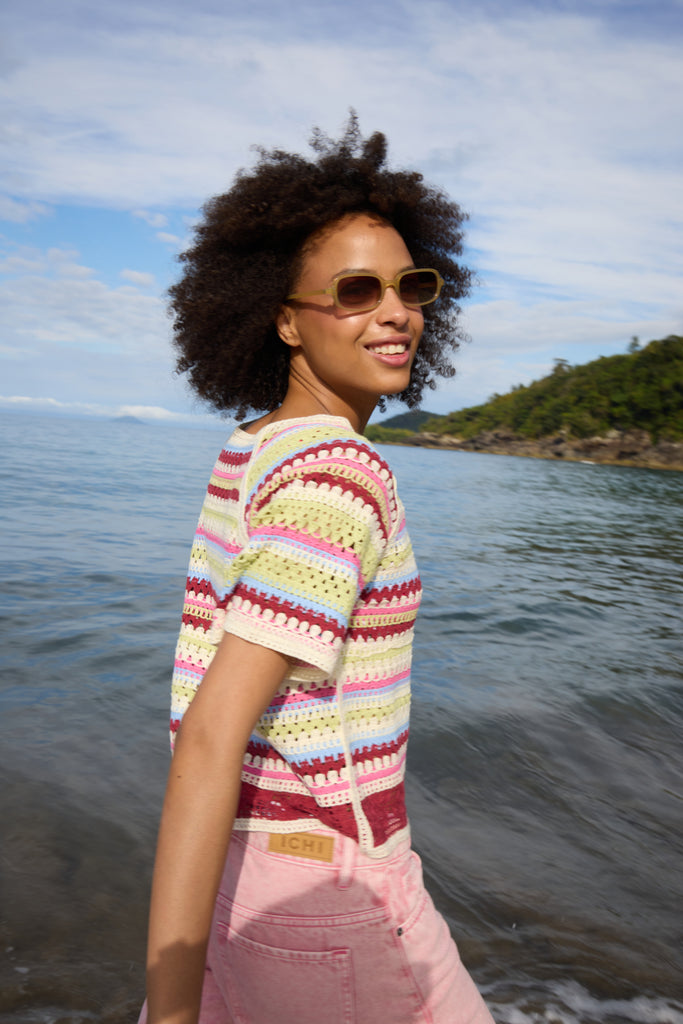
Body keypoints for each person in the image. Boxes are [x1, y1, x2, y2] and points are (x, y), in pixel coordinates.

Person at [139, 116, 494, 1024]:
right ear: (285, 319)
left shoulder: (256, 447)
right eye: (355, 290)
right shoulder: (338, 475)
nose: (396, 311)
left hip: (243, 874)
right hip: (327, 889)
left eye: (411, 285)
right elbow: (214, 730)